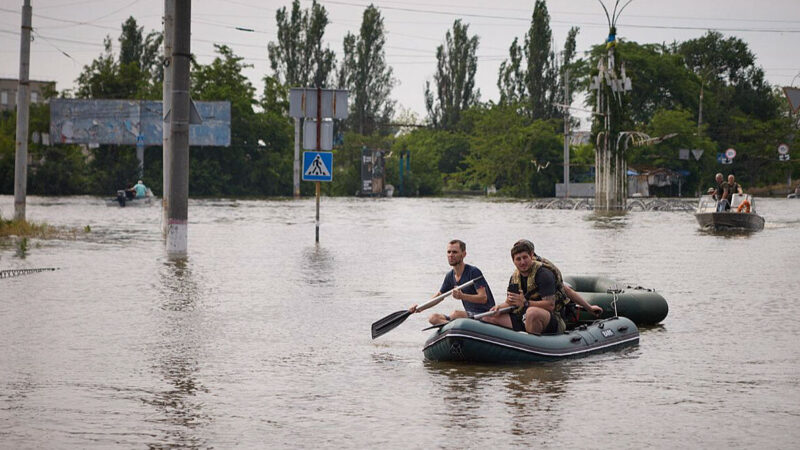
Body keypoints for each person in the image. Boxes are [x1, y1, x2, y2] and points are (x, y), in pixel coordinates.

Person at [482, 239, 602, 335]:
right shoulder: (514, 277)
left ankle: (531, 346)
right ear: (513, 261)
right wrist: (498, 308)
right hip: (523, 317)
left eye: (525, 257)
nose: (522, 262)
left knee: (532, 312)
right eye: (518, 259)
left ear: (531, 255)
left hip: (551, 318)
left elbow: (550, 305)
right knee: (488, 317)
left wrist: (589, 308)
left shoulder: (544, 274)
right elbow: (511, 302)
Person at [408, 239, 495, 326]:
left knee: (456, 314)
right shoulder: (450, 276)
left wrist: (462, 296)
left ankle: (455, 327)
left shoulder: (473, 272)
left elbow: (483, 298)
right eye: (449, 252)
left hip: (484, 314)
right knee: (433, 318)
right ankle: (454, 328)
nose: (451, 255)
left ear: (464, 254)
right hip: (469, 314)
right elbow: (439, 296)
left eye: (454, 252)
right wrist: (420, 308)